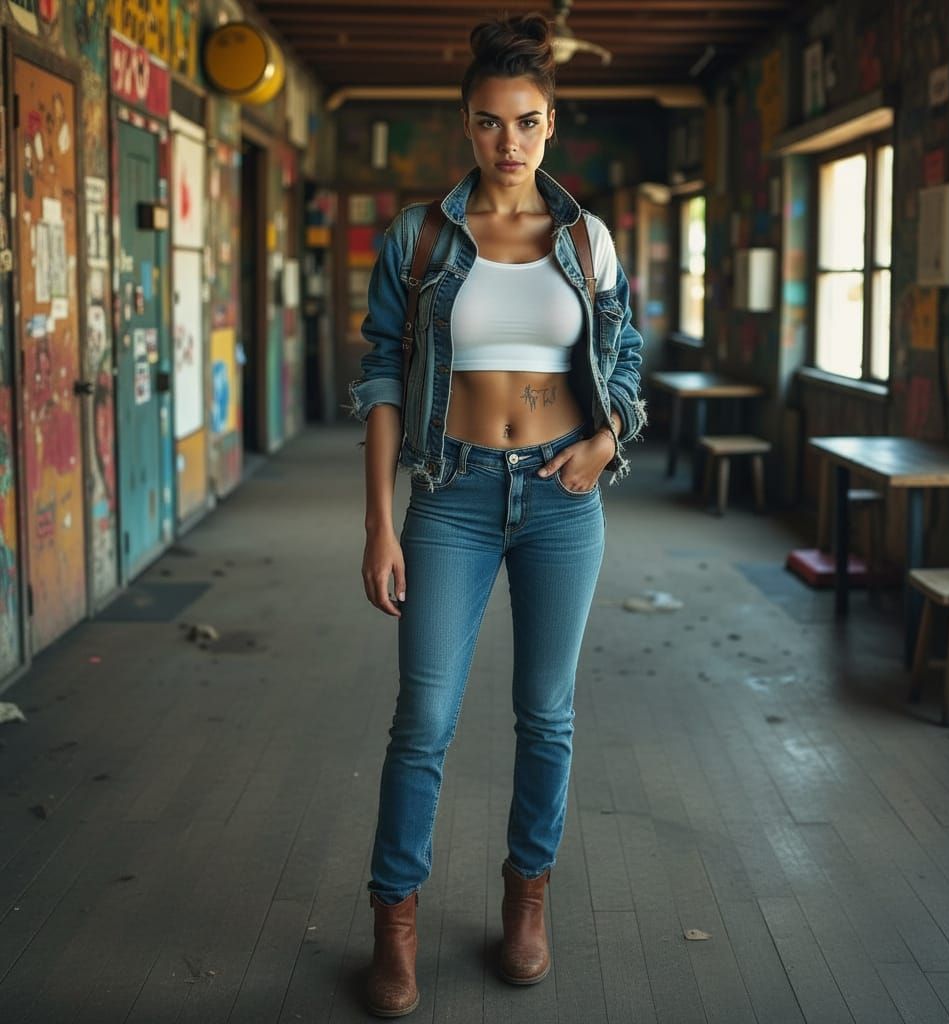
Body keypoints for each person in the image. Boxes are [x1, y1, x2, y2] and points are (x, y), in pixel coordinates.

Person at [349, 12, 645, 1018]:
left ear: (550, 124)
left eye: (525, 122)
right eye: (488, 123)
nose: (507, 142)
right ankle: (394, 922)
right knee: (423, 720)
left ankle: (528, 900)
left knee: (545, 716)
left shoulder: (587, 240)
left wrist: (607, 440)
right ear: (465, 125)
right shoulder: (421, 237)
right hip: (454, 497)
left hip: (561, 505)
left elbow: (625, 362)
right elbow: (382, 373)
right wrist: (379, 522)